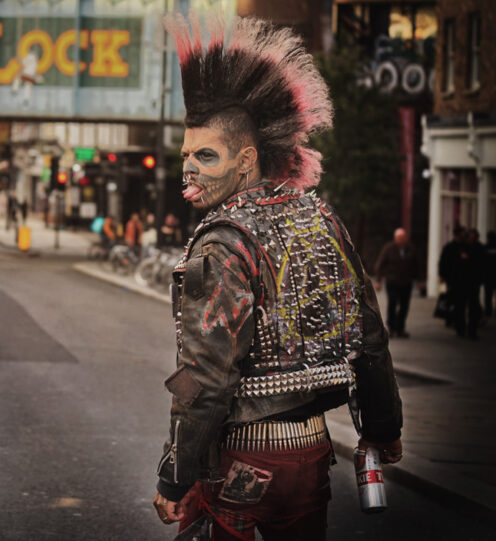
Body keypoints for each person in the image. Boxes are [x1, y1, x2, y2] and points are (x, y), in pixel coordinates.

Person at [153, 15, 403, 540]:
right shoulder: (321, 218)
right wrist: (383, 430)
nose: (188, 171)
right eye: (185, 156)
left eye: (206, 156)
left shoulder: (222, 242)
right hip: (312, 457)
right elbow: (370, 338)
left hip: (241, 459)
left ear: (246, 159)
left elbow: (206, 378)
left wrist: (175, 478)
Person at [374, 228, 419, 338]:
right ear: (395, 239)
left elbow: (417, 265)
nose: (401, 240)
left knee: (404, 305)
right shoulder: (389, 249)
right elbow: (380, 265)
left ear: (406, 239)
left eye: (403, 238)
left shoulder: (410, 249)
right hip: (392, 281)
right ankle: (391, 327)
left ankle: (400, 328)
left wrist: (420, 280)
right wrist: (378, 280)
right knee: (392, 303)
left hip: (406, 282)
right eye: (399, 238)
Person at [438, 225, 467, 329]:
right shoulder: (450, 247)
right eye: (463, 233)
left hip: (463, 280)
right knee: (449, 299)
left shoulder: (465, 247)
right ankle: (450, 318)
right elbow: (443, 262)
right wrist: (442, 276)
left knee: (459, 303)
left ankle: (458, 321)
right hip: (451, 279)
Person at [485, 231, 496, 318]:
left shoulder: (485, 248)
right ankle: (488, 310)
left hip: (488, 276)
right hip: (490, 276)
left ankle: (488, 311)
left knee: (488, 295)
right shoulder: (485, 248)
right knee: (488, 295)